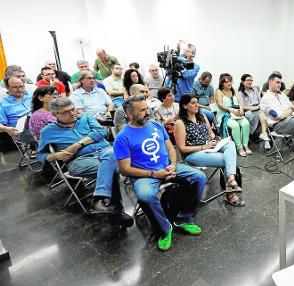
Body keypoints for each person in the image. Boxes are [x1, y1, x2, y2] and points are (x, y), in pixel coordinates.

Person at [114, 95, 206, 251]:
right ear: (130, 114)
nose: (147, 111)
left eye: (147, 108)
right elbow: (124, 169)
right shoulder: (122, 138)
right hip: (145, 174)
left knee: (199, 177)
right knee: (145, 196)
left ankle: (185, 218)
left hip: (168, 167)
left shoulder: (156, 126)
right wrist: (153, 174)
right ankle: (164, 229)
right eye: (142, 110)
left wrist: (173, 164)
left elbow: (170, 148)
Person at [36, 97, 133, 227]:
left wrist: (78, 144)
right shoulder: (48, 131)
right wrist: (57, 155)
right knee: (111, 166)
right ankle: (111, 207)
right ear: (55, 115)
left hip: (104, 151)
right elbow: (40, 155)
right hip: (79, 160)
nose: (72, 113)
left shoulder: (84, 118)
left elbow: (101, 132)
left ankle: (105, 204)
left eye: (72, 109)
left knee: (110, 157)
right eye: (66, 112)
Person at [174, 94, 245, 207]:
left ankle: (231, 179)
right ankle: (230, 193)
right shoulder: (180, 123)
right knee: (227, 159)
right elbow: (182, 148)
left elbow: (210, 132)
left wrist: (216, 139)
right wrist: (203, 147)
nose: (197, 105)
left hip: (207, 147)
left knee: (230, 144)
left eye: (197, 102)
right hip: (192, 154)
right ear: (184, 105)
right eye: (193, 103)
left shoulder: (201, 115)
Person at [215, 73, 251, 157]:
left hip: (236, 114)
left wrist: (241, 109)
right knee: (235, 125)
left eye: (230, 81)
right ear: (222, 83)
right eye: (226, 82)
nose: (229, 83)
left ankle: (245, 145)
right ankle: (239, 147)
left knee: (246, 123)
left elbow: (240, 102)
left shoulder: (234, 90)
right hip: (224, 115)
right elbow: (220, 105)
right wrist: (232, 110)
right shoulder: (218, 91)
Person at [238, 74, 270, 150]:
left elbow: (260, 100)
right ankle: (265, 138)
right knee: (261, 114)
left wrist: (259, 106)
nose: (250, 82)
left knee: (264, 113)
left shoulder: (255, 90)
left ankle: (265, 136)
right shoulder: (240, 93)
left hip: (258, 108)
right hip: (249, 111)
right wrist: (254, 107)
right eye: (248, 80)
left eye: (251, 80)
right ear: (243, 82)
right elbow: (242, 106)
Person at [0, 77, 34, 143]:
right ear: (7, 88)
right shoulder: (2, 103)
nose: (19, 89)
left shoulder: (33, 95)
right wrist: (6, 129)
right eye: (15, 87)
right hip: (23, 132)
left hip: (41, 124)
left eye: (21, 86)